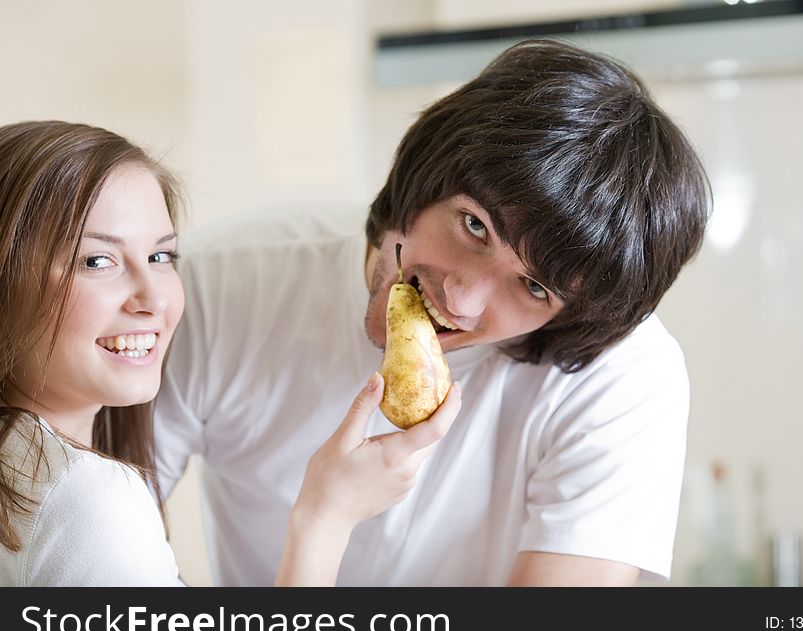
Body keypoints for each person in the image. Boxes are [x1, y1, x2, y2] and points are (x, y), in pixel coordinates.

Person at [155, 38, 710, 586]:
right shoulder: (215, 283)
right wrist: (322, 520)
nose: (461, 300)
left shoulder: (624, 376)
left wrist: (322, 522)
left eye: (534, 287)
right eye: (474, 226)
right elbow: (92, 553)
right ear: (425, 175)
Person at [0, 120, 460, 586]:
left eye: (161, 257)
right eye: (98, 261)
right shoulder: (90, 502)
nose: (154, 299)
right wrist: (326, 517)